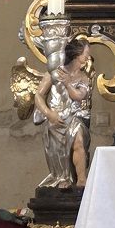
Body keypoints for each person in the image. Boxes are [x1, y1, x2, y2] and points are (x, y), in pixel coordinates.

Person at [33, 39, 92, 189]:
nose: (88, 57)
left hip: (74, 117)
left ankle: (81, 180)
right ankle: (63, 177)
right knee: (58, 151)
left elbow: (79, 96)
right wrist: (49, 113)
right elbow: (38, 95)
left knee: (78, 140)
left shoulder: (83, 77)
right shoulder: (54, 73)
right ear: (77, 54)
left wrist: (67, 84)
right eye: (86, 53)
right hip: (56, 119)